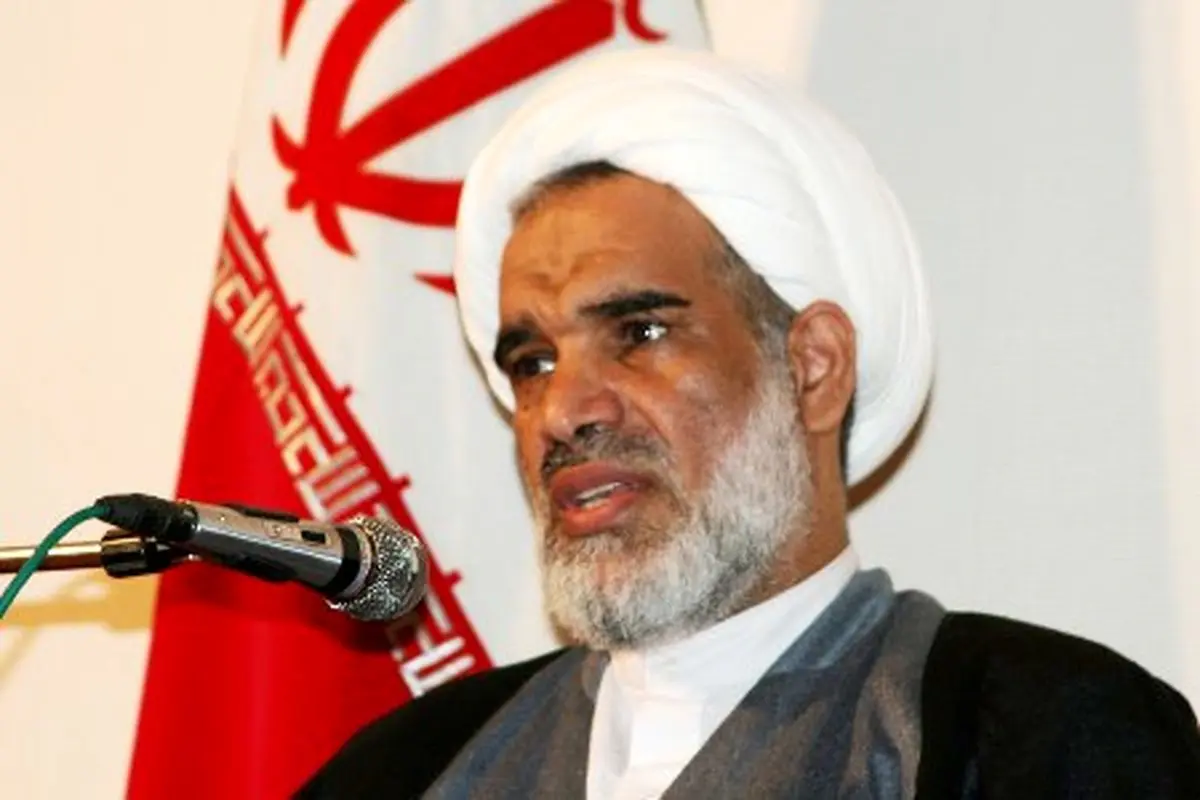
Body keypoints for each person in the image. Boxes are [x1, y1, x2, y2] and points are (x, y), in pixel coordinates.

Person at [298, 48, 1200, 798]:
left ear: (814, 368)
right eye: (532, 362)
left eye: (640, 333)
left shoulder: (1039, 738)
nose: (564, 412)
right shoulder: (404, 772)